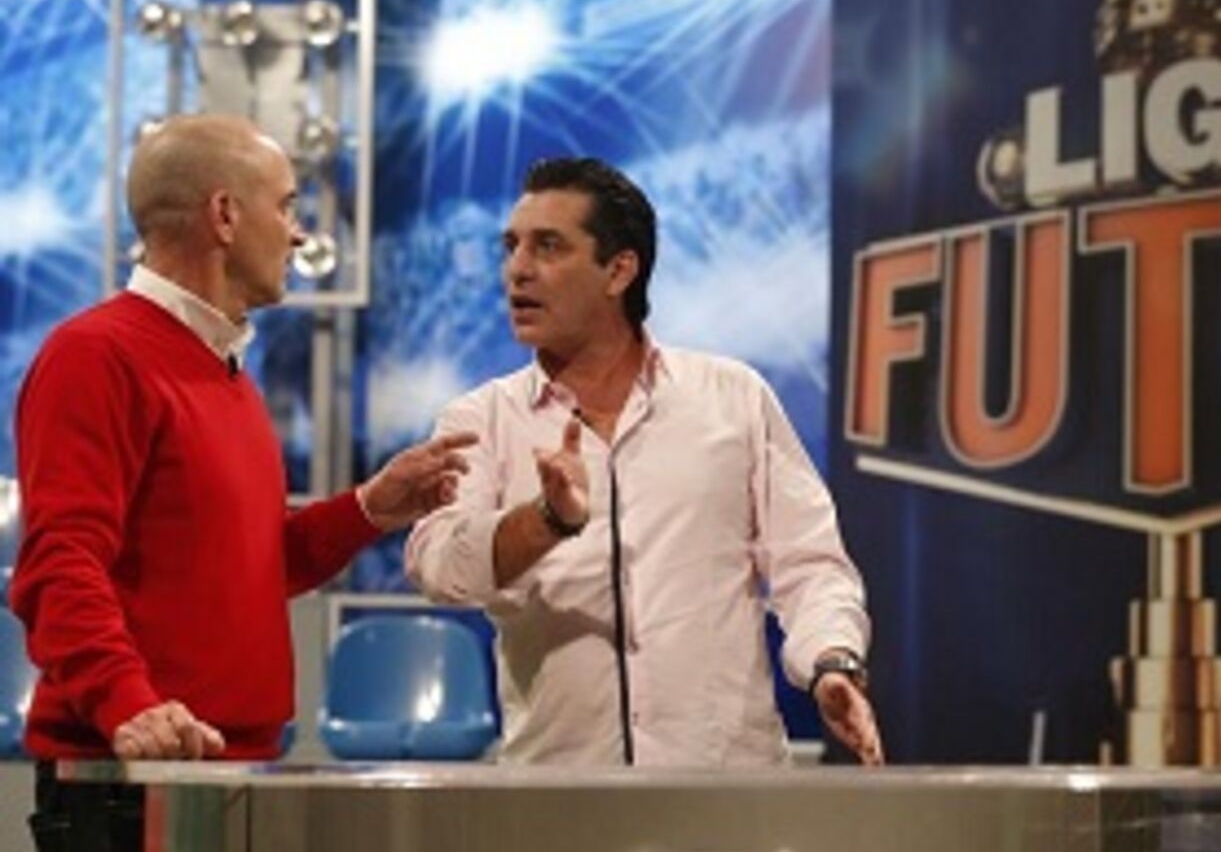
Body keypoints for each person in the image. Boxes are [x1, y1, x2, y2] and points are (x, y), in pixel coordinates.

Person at [8, 114, 476, 850]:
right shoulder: (95, 357)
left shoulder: (221, 370)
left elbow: (248, 566)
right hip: (136, 785)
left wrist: (368, 509)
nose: (298, 233)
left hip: (226, 777)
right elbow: (59, 563)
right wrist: (129, 704)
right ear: (225, 215)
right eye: (286, 205)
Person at [405, 157, 883, 767]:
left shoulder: (733, 397)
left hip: (721, 785)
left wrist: (830, 662)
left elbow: (810, 564)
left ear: (619, 270)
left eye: (547, 246)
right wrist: (546, 521)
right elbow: (441, 568)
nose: (517, 269)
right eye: (511, 247)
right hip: (559, 789)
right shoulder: (481, 419)